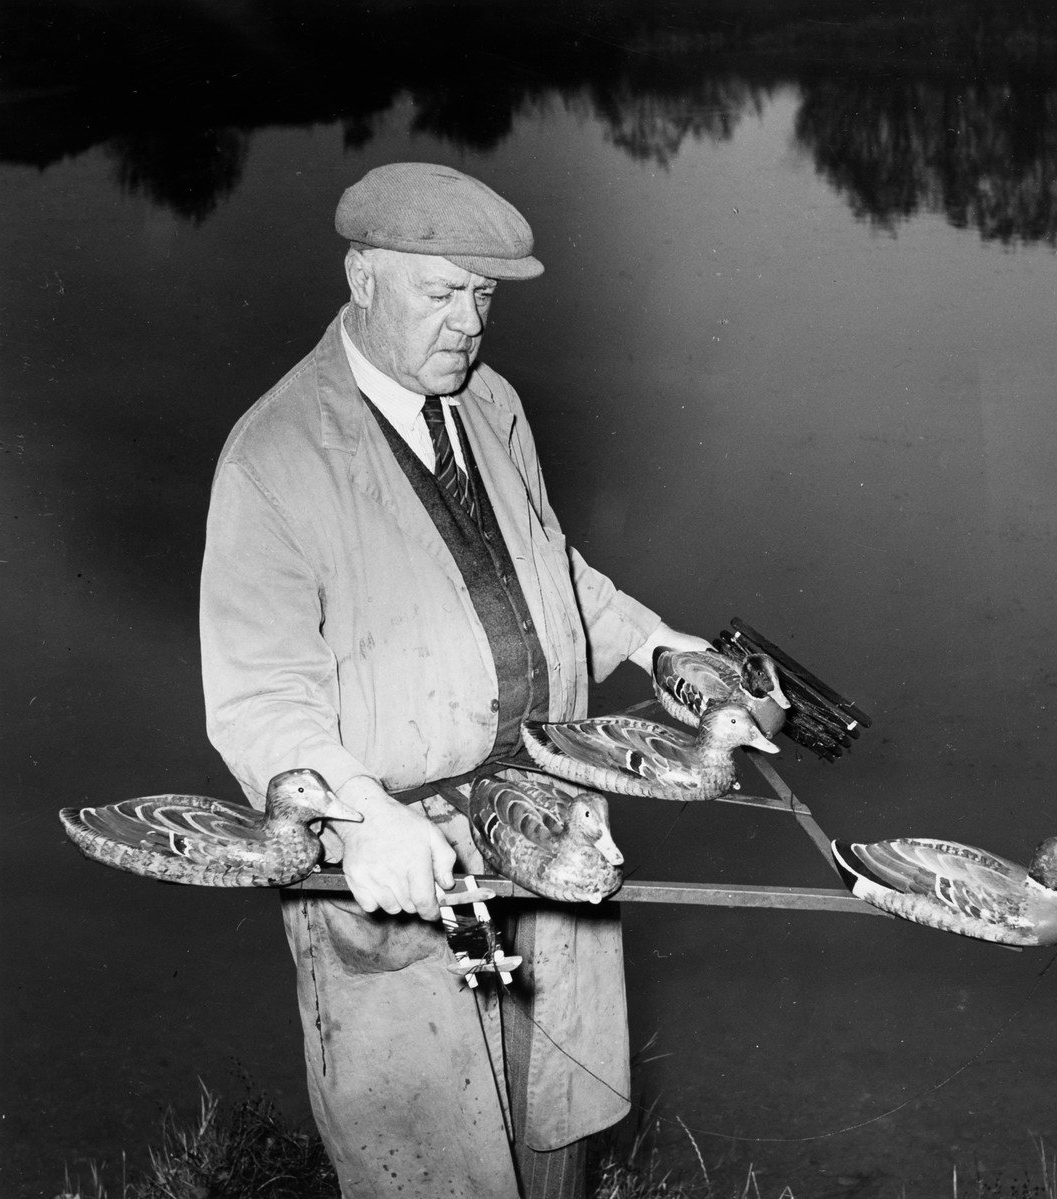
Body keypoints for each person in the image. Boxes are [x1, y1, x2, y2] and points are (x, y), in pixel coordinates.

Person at [199, 162, 709, 1199]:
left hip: (549, 828)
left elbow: (549, 567)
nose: (470, 324)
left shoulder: (491, 403)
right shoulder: (275, 455)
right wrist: (362, 817)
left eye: (484, 297)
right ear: (362, 277)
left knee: (554, 1131)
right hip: (396, 858)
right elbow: (258, 698)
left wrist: (660, 645)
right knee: (430, 1160)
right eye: (441, 293)